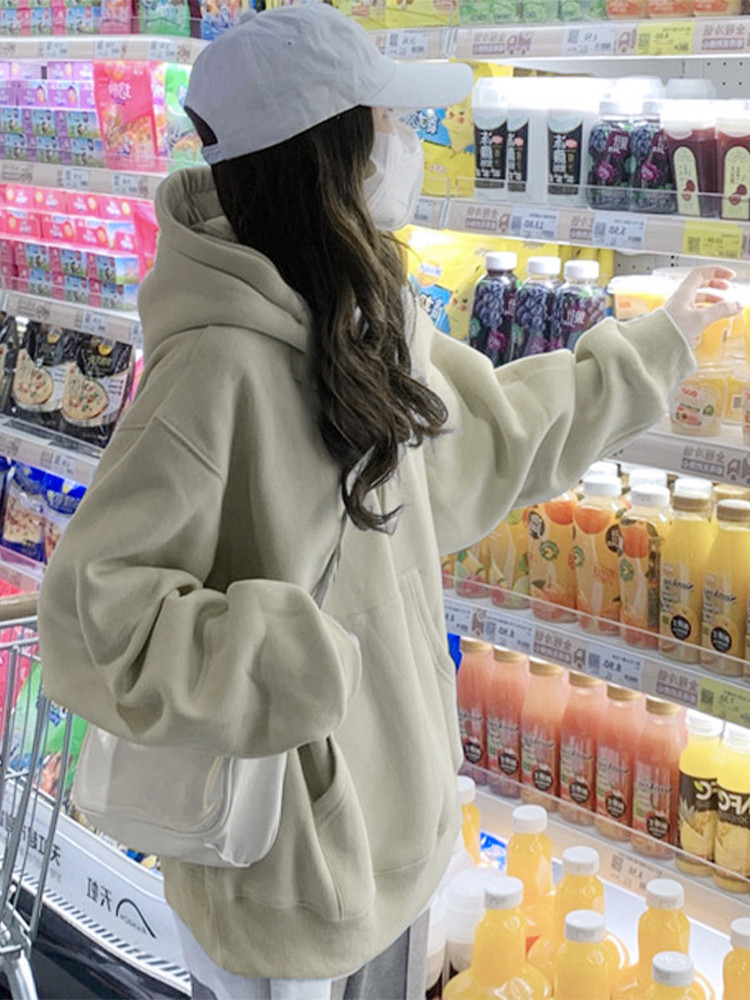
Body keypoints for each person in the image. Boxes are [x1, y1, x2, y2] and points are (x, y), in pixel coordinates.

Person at [38, 5, 738, 999]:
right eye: (390, 121)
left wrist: (658, 344)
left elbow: (492, 431)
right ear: (327, 155)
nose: (407, 143)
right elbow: (95, 607)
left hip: (399, 843)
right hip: (283, 869)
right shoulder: (214, 367)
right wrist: (292, 660)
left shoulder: (363, 322)